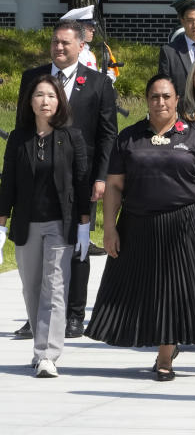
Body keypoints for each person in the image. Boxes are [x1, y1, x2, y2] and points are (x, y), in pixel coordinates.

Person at [85, 74, 195, 380]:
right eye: (154, 96)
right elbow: (113, 187)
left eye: (166, 96)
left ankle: (165, 357)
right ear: (147, 100)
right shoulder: (129, 137)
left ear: (177, 99)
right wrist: (109, 229)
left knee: (174, 292)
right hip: (138, 225)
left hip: (186, 224)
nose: (160, 102)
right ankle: (162, 343)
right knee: (146, 292)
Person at [17, 21, 117, 340]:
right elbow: (21, 130)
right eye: (55, 42)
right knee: (37, 248)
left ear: (80, 47)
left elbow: (107, 136)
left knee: (78, 245)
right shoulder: (32, 79)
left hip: (81, 179)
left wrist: (101, 177)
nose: (59, 48)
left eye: (65, 43)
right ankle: (37, 316)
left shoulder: (99, 84)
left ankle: (74, 314)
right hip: (38, 179)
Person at [1, 76, 89, 377]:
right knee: (32, 288)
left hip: (59, 224)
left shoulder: (71, 137)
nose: (45, 100)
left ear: (59, 101)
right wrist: (1, 225)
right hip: (27, 223)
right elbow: (8, 182)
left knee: (55, 288)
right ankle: (41, 346)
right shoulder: (18, 138)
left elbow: (81, 183)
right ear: (30, 102)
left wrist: (84, 225)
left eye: (51, 95)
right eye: (39, 95)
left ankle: (47, 354)